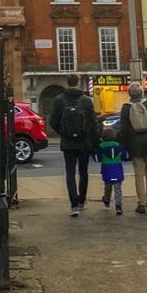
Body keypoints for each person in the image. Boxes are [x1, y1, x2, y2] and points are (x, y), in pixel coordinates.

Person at [50, 73, 99, 216]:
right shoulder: (86, 100)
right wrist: (95, 142)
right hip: (84, 142)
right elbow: (93, 122)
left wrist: (64, 132)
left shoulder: (59, 100)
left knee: (70, 173)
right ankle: (82, 200)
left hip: (68, 143)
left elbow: (53, 122)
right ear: (78, 82)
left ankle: (74, 205)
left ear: (68, 82)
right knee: (83, 172)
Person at [119, 82, 147, 214]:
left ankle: (141, 203)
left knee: (138, 174)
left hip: (135, 145)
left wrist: (125, 144)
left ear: (129, 94)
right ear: (142, 93)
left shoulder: (126, 107)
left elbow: (123, 129)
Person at [95, 127, 128, 215]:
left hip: (107, 169)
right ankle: (118, 206)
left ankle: (106, 199)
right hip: (117, 169)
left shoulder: (101, 147)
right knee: (118, 188)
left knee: (107, 186)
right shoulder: (119, 146)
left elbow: (97, 159)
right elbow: (126, 157)